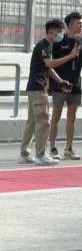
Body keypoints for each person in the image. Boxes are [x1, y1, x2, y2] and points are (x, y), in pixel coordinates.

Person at [20, 19, 78, 166]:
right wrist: (70, 56)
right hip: (38, 88)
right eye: (59, 32)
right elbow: (50, 64)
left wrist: (60, 80)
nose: (60, 35)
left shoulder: (47, 46)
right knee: (44, 121)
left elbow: (49, 69)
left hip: (34, 88)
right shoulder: (44, 45)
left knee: (32, 122)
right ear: (51, 31)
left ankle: (25, 153)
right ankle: (41, 155)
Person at [48, 12, 82, 160]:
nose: (80, 26)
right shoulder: (59, 42)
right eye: (78, 23)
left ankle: (69, 148)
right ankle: (52, 148)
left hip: (75, 85)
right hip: (60, 85)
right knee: (56, 117)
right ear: (70, 24)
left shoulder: (81, 42)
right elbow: (51, 64)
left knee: (72, 117)